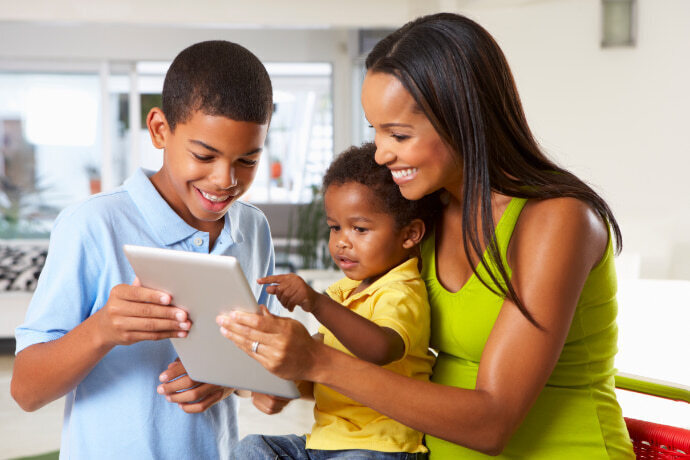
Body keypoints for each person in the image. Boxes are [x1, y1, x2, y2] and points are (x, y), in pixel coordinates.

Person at [217, 13, 636, 459]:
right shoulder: (425, 216)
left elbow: (493, 423)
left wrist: (319, 363)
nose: (382, 152)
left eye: (398, 133)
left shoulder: (557, 220)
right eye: (375, 131)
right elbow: (381, 354)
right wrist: (287, 373)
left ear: (463, 119)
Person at [11, 40, 280, 459]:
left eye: (247, 160)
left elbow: (262, 359)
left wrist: (228, 377)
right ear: (159, 130)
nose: (225, 179)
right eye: (204, 155)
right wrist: (101, 330)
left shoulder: (254, 229)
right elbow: (26, 390)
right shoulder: (94, 224)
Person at [227, 142, 437, 459]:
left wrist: (317, 303)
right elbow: (318, 367)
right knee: (252, 448)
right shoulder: (343, 291)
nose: (341, 242)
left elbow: (381, 349)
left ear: (409, 235)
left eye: (360, 229)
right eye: (335, 227)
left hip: (380, 448)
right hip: (324, 444)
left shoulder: (402, 288)